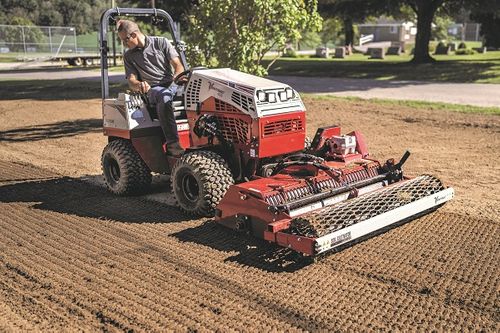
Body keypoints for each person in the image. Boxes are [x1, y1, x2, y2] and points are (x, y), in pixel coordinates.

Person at [117, 19, 186, 156]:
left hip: (172, 84)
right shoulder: (129, 56)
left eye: (125, 40)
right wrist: (139, 84)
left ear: (134, 35)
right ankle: (173, 145)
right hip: (152, 90)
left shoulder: (161, 42)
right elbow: (131, 80)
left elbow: (178, 66)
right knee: (164, 96)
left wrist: (177, 78)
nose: (124, 44)